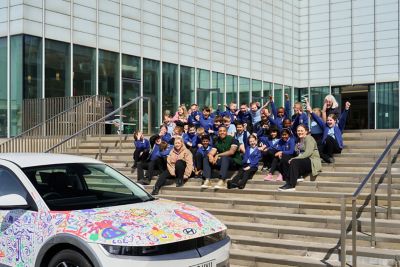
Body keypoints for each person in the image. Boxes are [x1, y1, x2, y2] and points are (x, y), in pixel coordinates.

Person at [277, 124, 322, 191]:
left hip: (311, 160)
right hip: (302, 161)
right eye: (298, 131)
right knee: (284, 158)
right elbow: (296, 153)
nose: (299, 132)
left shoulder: (309, 138)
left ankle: (291, 185)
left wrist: (295, 158)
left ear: (306, 131)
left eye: (301, 130)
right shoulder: (298, 140)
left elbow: (308, 153)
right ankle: (291, 179)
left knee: (294, 161)